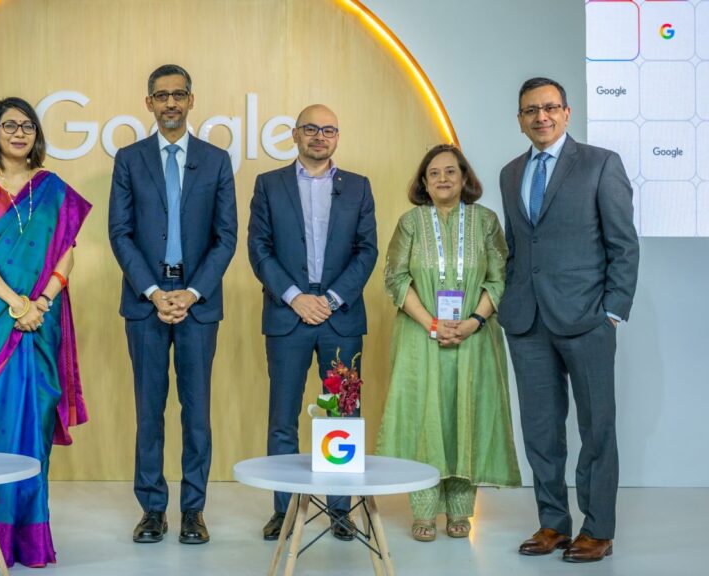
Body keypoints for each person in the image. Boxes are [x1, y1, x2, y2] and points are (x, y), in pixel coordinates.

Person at [500, 77, 638, 563]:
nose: (541, 116)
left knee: (597, 428)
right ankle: (553, 524)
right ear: (520, 119)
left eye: (550, 107)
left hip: (587, 320)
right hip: (527, 321)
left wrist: (613, 312)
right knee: (540, 430)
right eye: (531, 110)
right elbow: (519, 248)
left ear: (567, 112)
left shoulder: (601, 164)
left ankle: (597, 529)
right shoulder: (510, 172)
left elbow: (623, 243)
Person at [0, 97, 91, 568]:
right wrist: (16, 304)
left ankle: (29, 542)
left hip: (41, 322)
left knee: (32, 428)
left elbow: (67, 252)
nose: (19, 133)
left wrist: (43, 301)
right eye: (9, 125)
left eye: (27, 125)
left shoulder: (51, 187)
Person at [109, 64, 237, 545]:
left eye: (178, 95)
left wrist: (192, 291)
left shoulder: (217, 160)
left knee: (196, 412)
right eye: (160, 96)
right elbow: (119, 233)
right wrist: (154, 291)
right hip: (146, 301)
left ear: (190, 99)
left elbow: (226, 237)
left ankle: (193, 510)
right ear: (148, 103)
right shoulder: (129, 159)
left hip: (198, 302)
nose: (170, 104)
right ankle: (152, 509)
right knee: (149, 412)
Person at [375, 144, 521, 542]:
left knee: (466, 413)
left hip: (474, 337)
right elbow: (395, 278)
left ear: (465, 179)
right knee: (425, 416)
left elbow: (499, 278)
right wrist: (433, 323)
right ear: (423, 182)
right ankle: (422, 509)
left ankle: (460, 510)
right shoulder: (410, 223)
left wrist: (473, 321)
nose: (443, 178)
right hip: (420, 336)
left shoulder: (486, 221)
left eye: (451, 172)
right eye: (434, 173)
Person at [248, 104, 378, 542]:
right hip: (288, 316)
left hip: (341, 318)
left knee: (341, 415)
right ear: (295, 134)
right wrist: (296, 297)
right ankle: (283, 511)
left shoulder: (358, 187)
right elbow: (259, 248)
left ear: (337, 137)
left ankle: (340, 510)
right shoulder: (269, 184)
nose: (319, 136)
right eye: (310, 128)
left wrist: (332, 298)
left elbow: (367, 251)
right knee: (282, 417)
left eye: (328, 130)